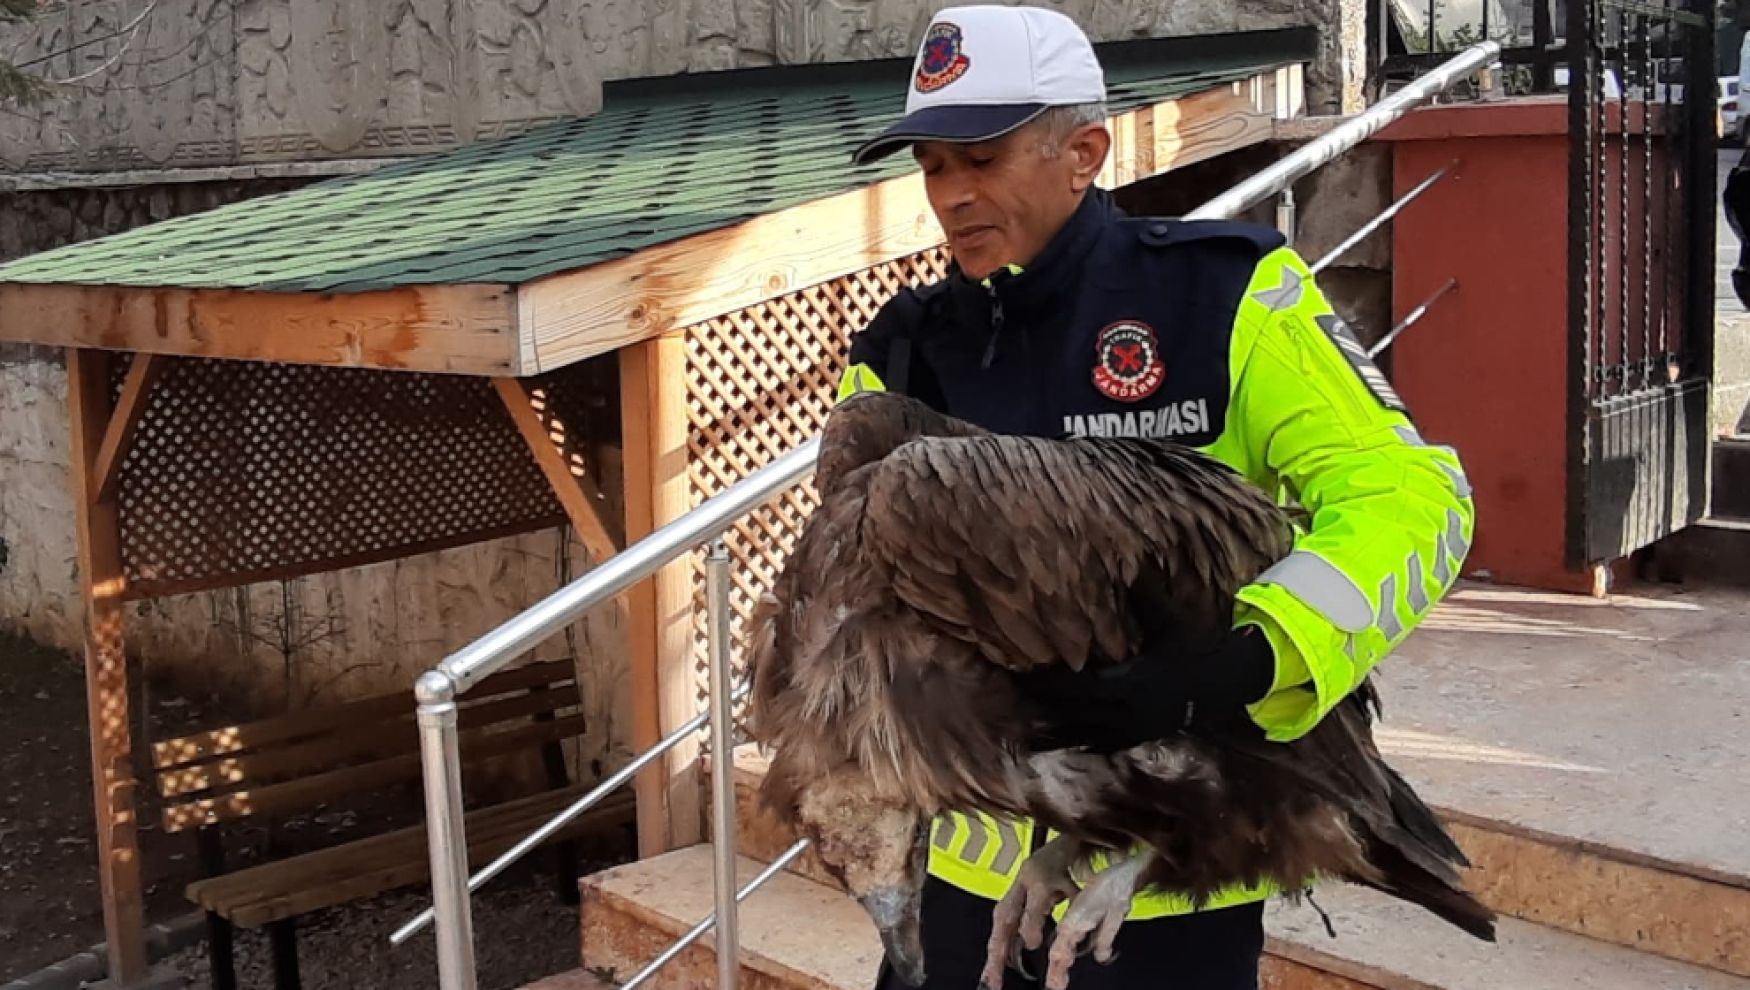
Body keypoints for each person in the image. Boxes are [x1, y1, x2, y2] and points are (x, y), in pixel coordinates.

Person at [833, 5, 1476, 989]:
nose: (951, 196)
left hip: (1176, 880)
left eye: (982, 159)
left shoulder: (1224, 296)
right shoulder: (900, 356)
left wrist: (1245, 660)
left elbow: (1413, 500)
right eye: (931, 167)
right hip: (968, 864)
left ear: (1082, 151)